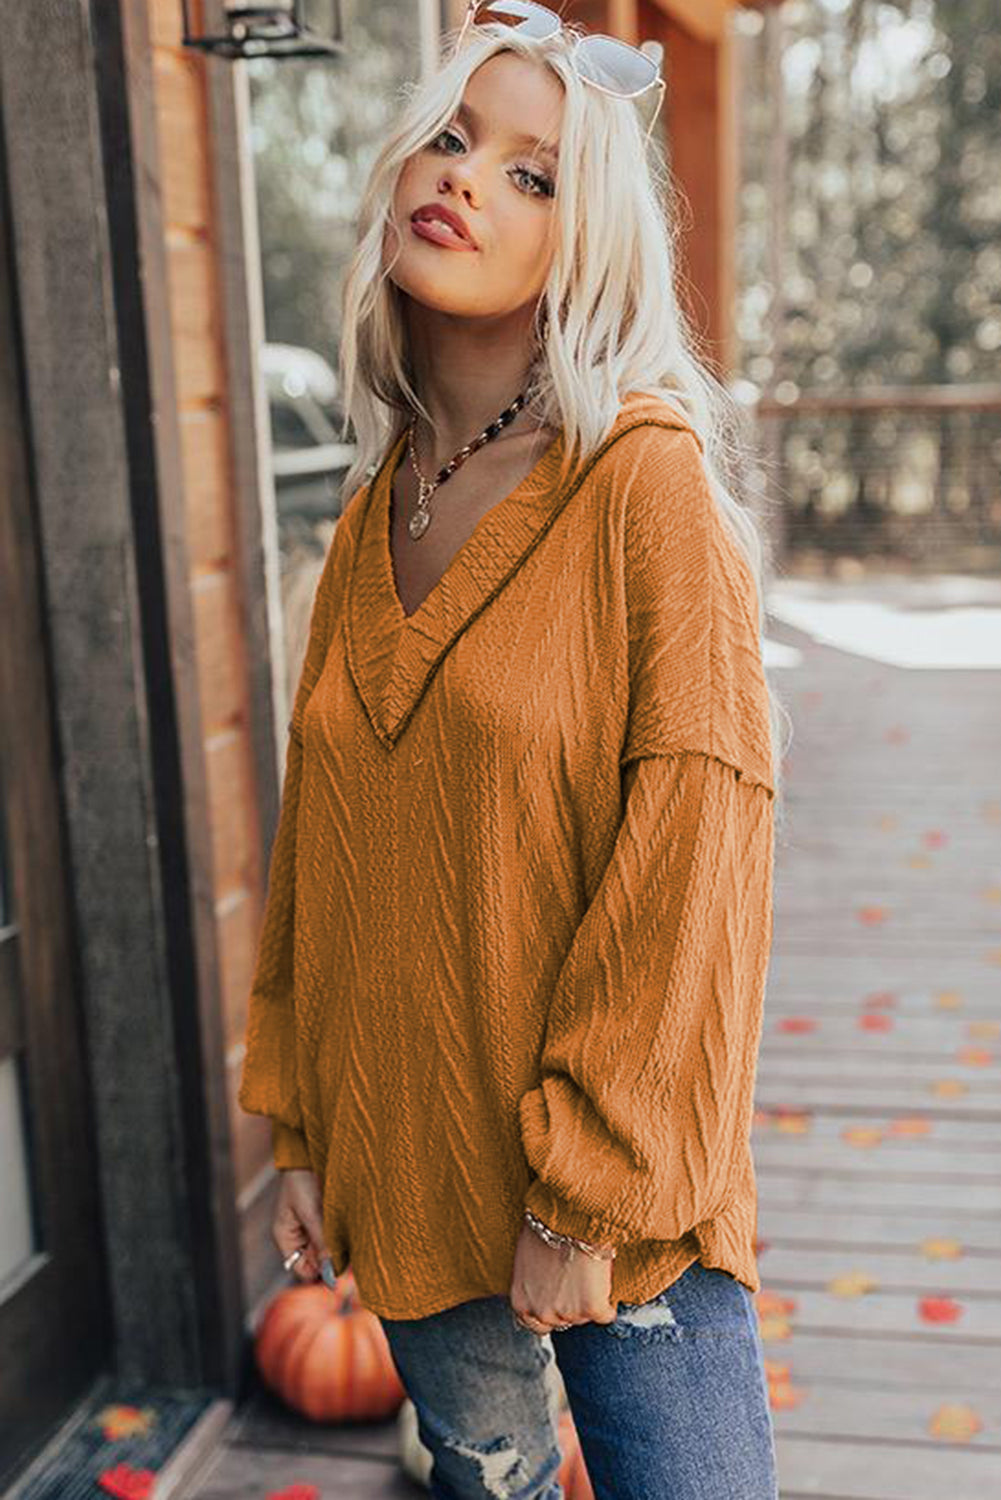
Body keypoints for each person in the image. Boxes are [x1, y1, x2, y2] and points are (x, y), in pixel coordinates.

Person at [239, 5, 789, 1496]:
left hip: (613, 1209)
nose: (466, 177)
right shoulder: (374, 516)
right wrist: (305, 1115)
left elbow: (691, 861)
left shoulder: (642, 489)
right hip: (409, 1157)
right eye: (451, 136)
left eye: (532, 173)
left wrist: (585, 1197)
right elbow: (326, 851)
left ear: (585, 237)